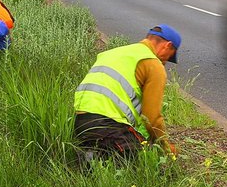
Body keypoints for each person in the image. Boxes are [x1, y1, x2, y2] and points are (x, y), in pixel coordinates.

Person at [73, 24, 182, 164]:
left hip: (80, 121)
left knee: (115, 151)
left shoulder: (116, 52)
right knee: (138, 161)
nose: (166, 62)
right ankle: (89, 161)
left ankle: (91, 156)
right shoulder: (153, 64)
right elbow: (152, 117)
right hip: (108, 123)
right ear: (168, 45)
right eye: (169, 57)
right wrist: (166, 147)